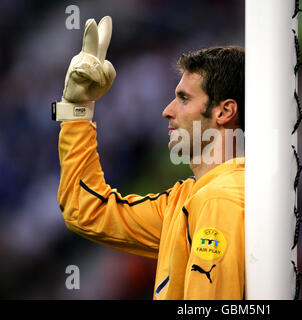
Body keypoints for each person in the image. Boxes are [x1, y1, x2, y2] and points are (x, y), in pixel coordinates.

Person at [53, 16, 245, 300]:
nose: (167, 110)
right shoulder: (191, 198)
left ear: (223, 112)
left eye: (183, 98)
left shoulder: (221, 199)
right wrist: (76, 108)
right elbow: (87, 210)